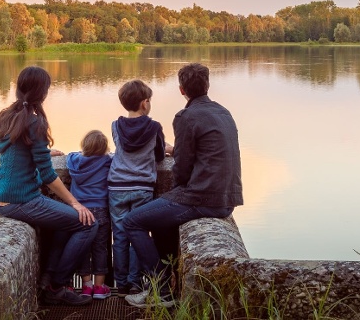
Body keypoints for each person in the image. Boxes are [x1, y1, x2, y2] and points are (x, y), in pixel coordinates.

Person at [123, 63, 243, 309]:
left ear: (181, 90)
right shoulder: (224, 112)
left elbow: (183, 164)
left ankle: (162, 287)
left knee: (132, 221)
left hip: (202, 197)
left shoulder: (186, 116)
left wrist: (177, 190)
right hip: (227, 197)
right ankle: (167, 284)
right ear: (207, 85)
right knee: (160, 221)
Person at [0, 66, 98, 306]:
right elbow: (48, 176)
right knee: (88, 224)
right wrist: (75, 202)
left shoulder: (4, 117)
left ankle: (47, 278)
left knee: (65, 223)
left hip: (1, 196)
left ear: (19, 88)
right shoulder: (33, 123)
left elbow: (16, 153)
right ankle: (57, 286)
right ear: (43, 93)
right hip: (22, 199)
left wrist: (43, 152)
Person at [107, 79, 173, 296]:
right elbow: (159, 154)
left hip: (116, 186)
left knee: (120, 235)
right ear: (145, 103)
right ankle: (135, 282)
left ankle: (121, 283)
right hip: (142, 186)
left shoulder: (116, 126)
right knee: (139, 234)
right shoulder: (154, 127)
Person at [65, 130, 114, 300]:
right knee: (100, 248)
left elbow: (70, 155)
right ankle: (100, 287)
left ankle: (86, 286)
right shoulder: (107, 161)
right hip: (100, 209)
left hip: (80, 212)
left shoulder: (74, 161)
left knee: (83, 248)